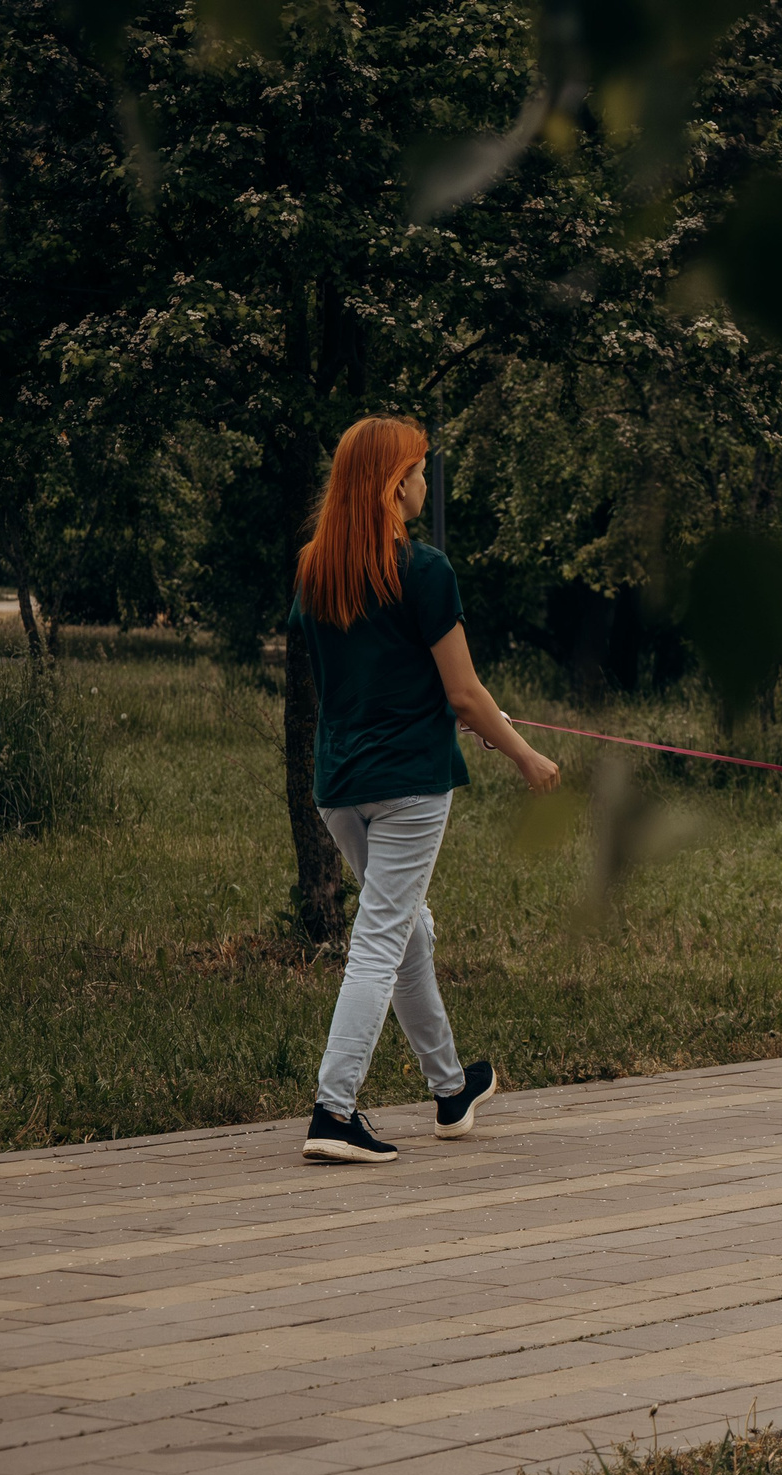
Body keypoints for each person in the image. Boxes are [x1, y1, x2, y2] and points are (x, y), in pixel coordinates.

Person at [291, 416, 561, 1163]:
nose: (422, 483)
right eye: (415, 471)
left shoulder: (315, 570)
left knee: (409, 928)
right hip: (408, 783)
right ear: (391, 485)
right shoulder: (425, 569)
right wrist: (525, 756)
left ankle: (450, 1090)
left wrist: (470, 716)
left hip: (339, 784)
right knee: (381, 938)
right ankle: (333, 1111)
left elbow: (370, 678)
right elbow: (464, 693)